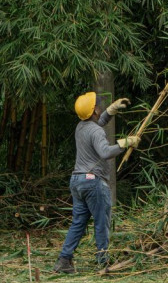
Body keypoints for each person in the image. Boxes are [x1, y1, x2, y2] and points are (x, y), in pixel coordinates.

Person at [53, 92, 140, 273]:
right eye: (98, 106)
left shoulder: (80, 127)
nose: (100, 106)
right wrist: (125, 143)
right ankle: (103, 261)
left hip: (77, 181)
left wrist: (111, 110)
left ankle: (64, 260)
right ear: (94, 111)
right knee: (101, 222)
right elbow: (105, 152)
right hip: (93, 183)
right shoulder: (96, 131)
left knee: (78, 223)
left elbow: (97, 123)